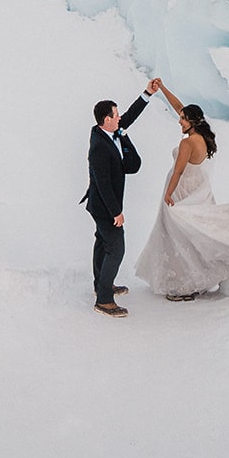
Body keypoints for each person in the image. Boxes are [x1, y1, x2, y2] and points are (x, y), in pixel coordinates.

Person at [135, 78, 229, 302]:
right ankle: (197, 279)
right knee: (196, 236)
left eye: (183, 119)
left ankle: (183, 286)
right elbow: (179, 106)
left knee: (177, 237)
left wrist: (168, 195)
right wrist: (162, 88)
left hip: (181, 193)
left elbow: (178, 172)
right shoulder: (201, 137)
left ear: (191, 121)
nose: (179, 121)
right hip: (198, 191)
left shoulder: (187, 143)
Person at [83, 79, 159, 318]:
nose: (120, 118)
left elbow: (130, 116)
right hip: (104, 206)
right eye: (116, 116)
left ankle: (101, 285)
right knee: (116, 248)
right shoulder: (99, 147)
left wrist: (147, 93)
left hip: (102, 205)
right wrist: (116, 212)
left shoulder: (107, 131)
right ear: (107, 120)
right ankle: (104, 300)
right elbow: (103, 184)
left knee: (102, 243)